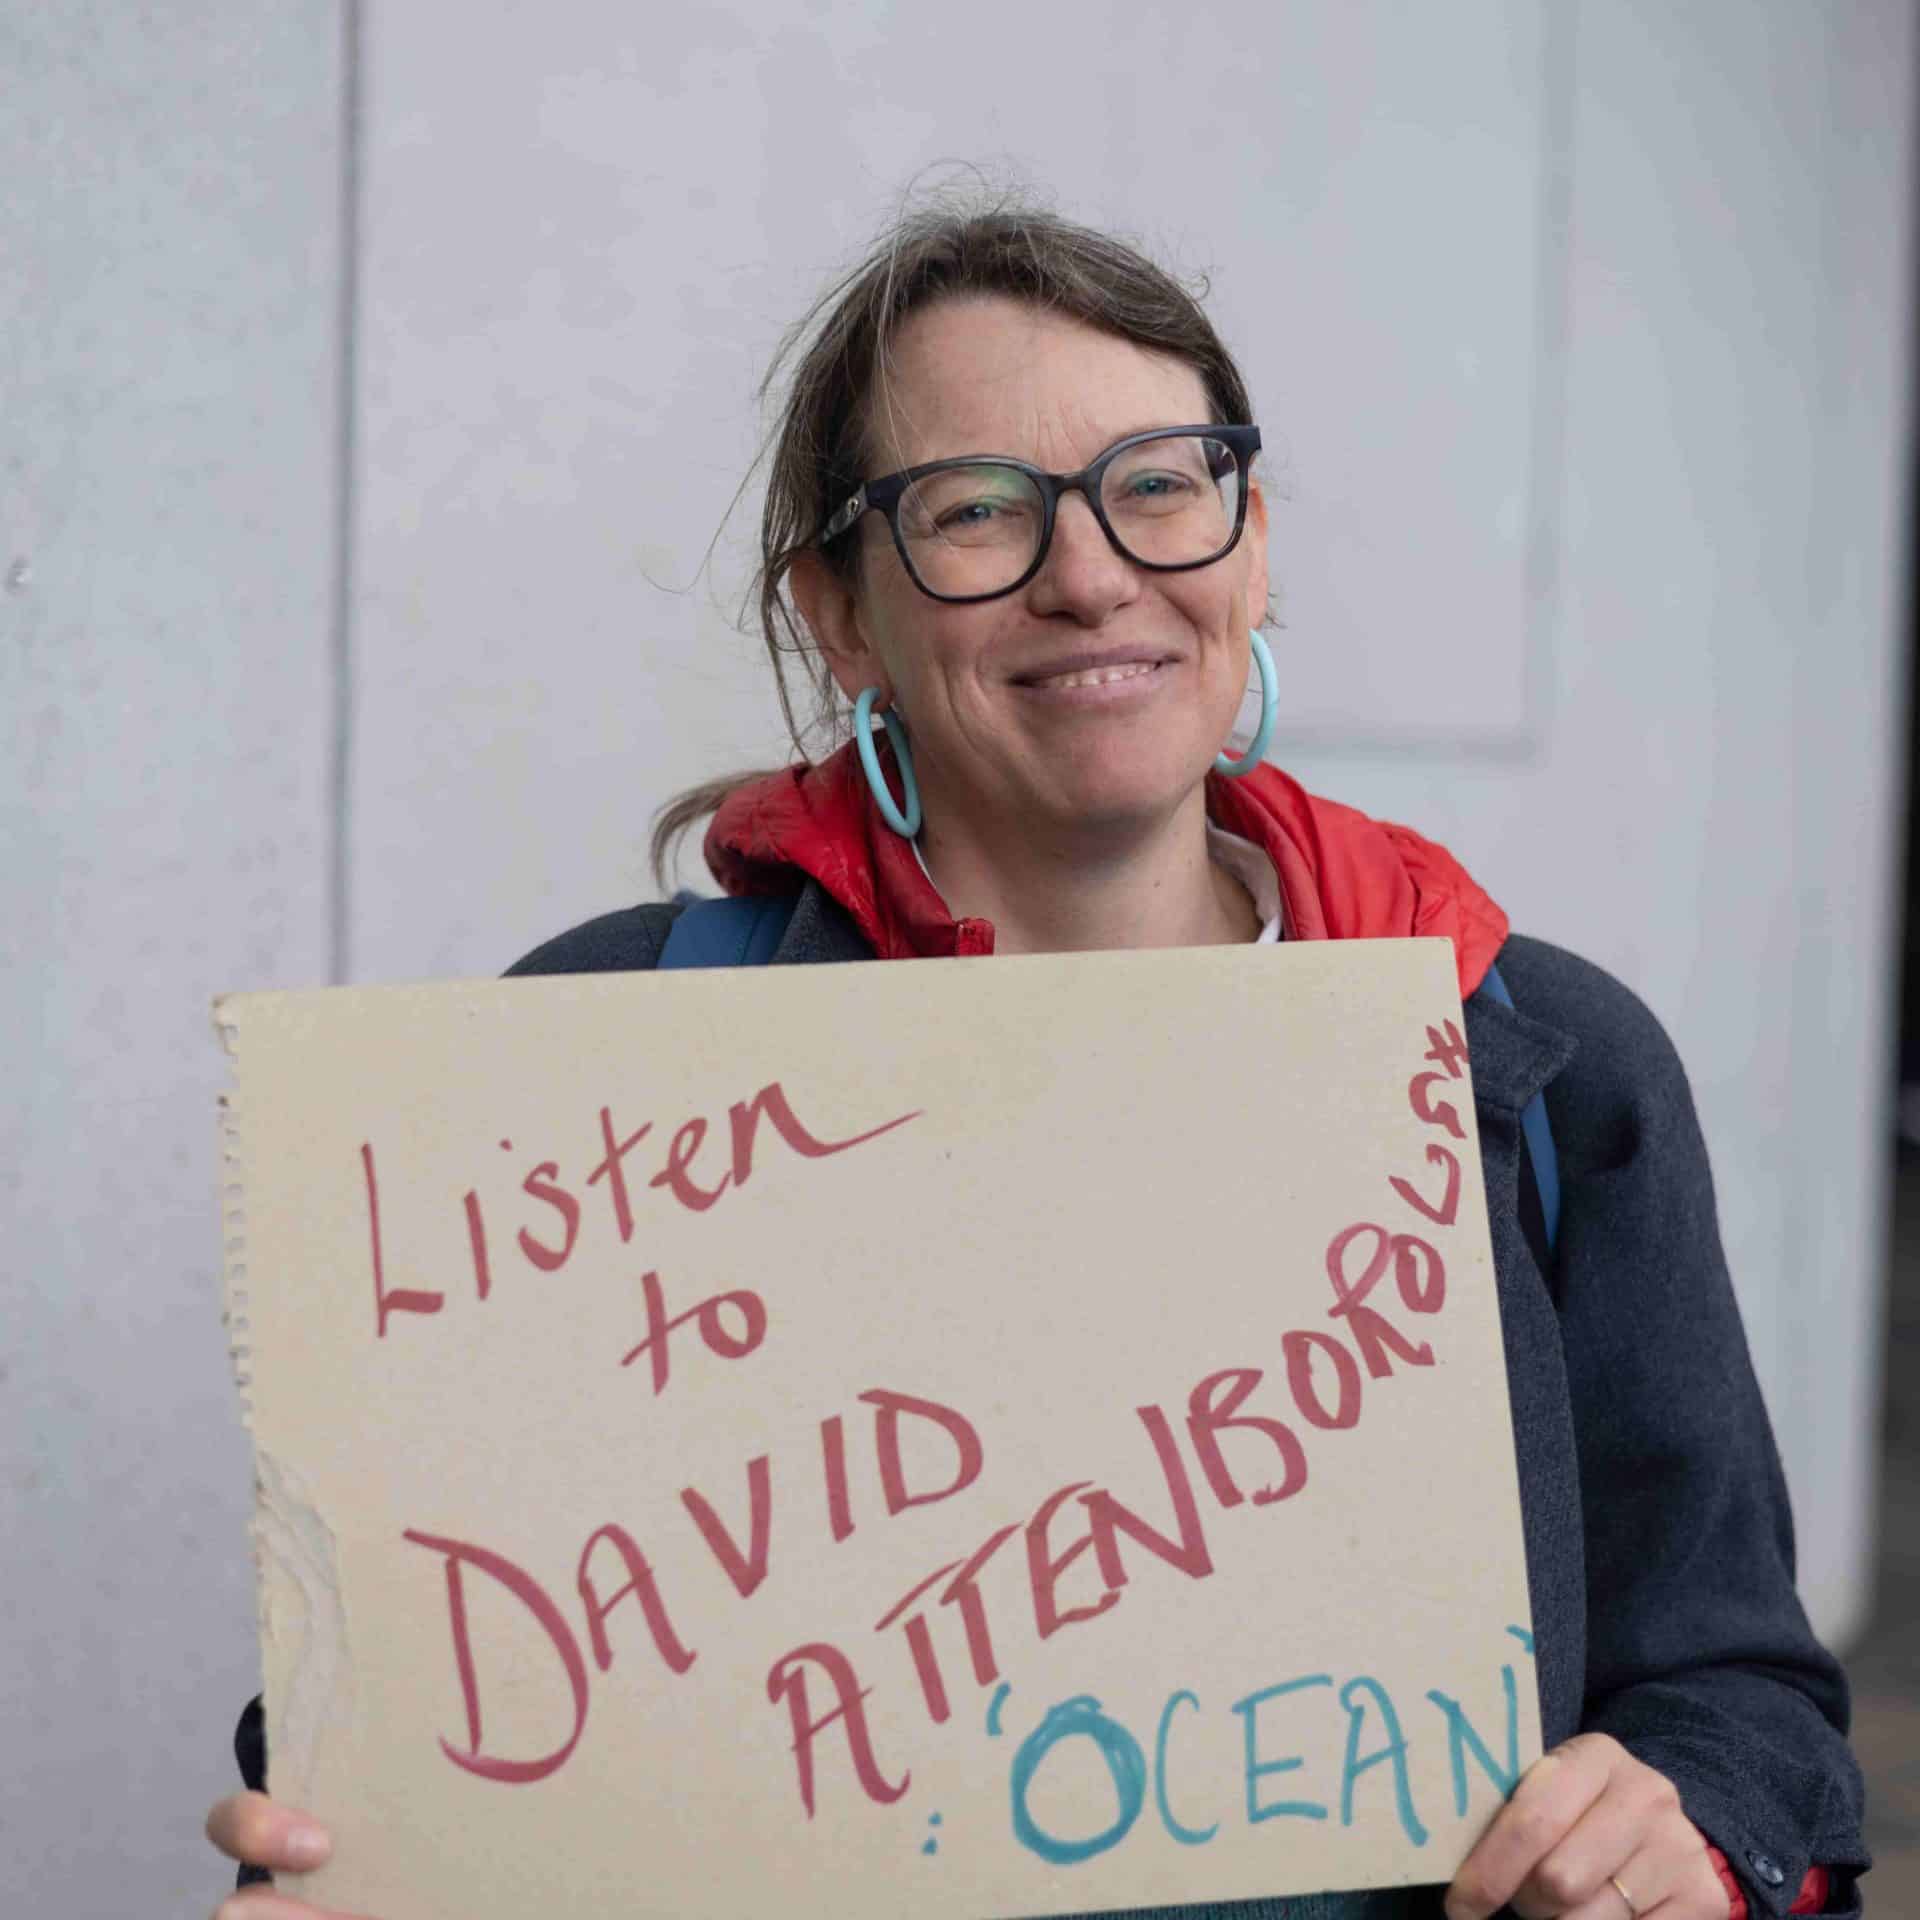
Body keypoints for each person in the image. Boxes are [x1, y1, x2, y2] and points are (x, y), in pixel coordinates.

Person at [205, 202, 1867, 1920]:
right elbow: (416, 1723)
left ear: (1251, 544)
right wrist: (333, 1860)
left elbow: (1742, 1705)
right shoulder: (585, 1070)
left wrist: (1689, 1838)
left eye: (1160, 484)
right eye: (979, 510)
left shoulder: (1545, 1067)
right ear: (840, 616)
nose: (1091, 575)